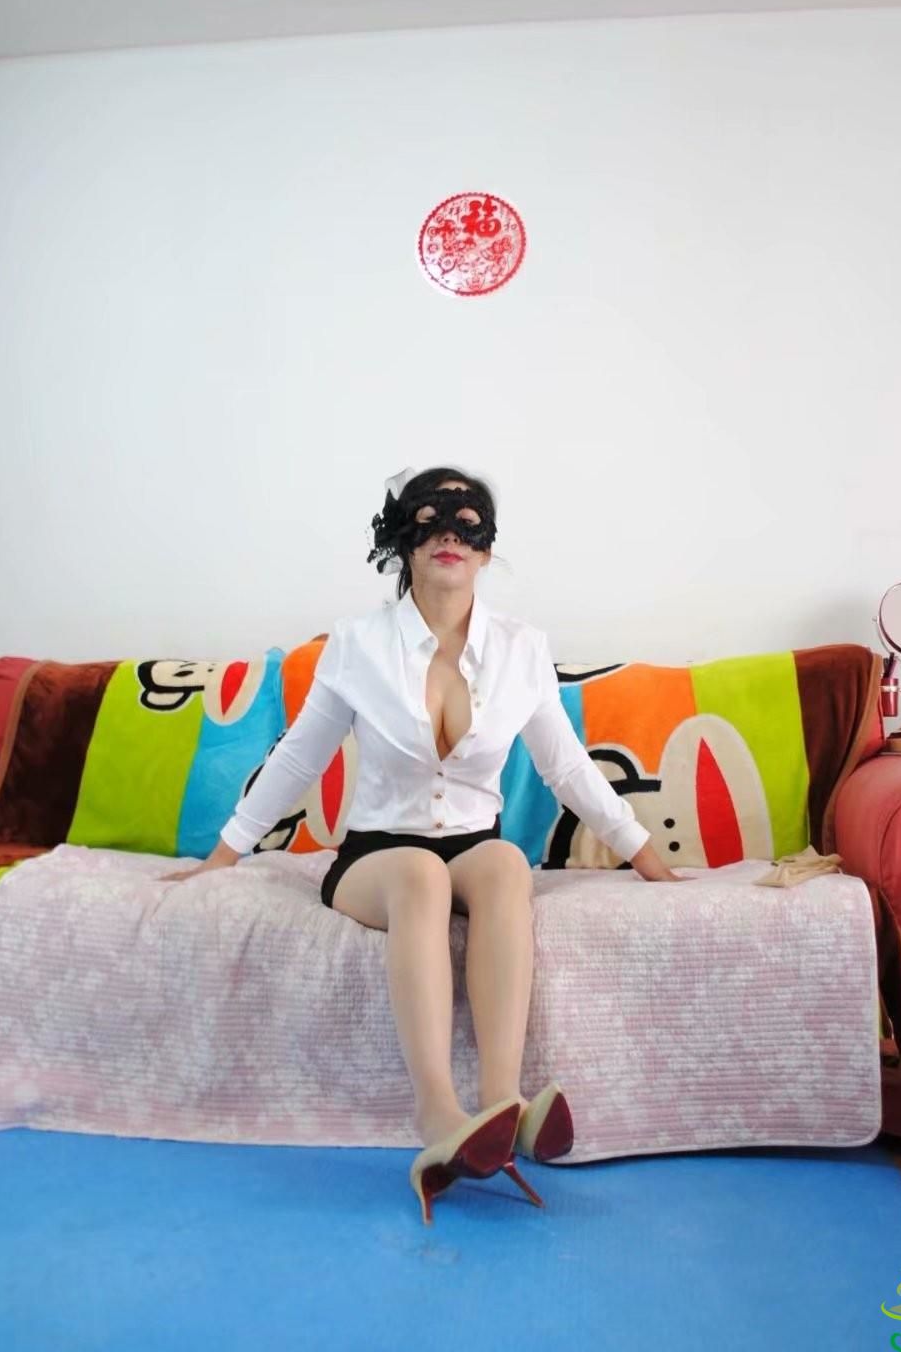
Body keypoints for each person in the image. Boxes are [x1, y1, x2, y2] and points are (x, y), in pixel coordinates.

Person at [163, 465, 687, 1222]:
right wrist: (223, 855)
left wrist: (643, 853)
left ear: (486, 549)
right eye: (431, 519)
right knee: (419, 874)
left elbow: (566, 765)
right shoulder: (357, 645)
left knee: (505, 863)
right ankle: (437, 1112)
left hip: (473, 846)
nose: (450, 533)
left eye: (469, 523)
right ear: (402, 540)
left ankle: (502, 1102)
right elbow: (298, 759)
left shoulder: (521, 648)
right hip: (377, 857)